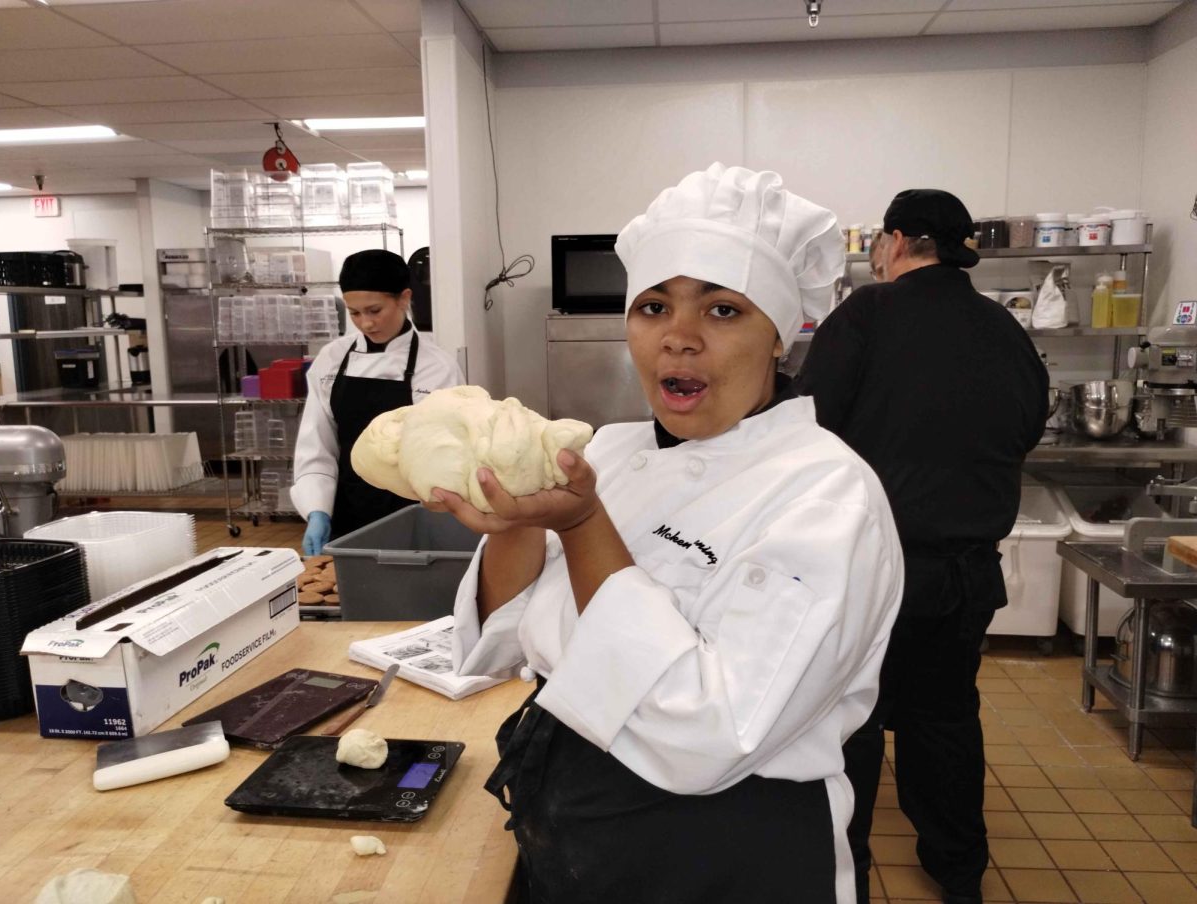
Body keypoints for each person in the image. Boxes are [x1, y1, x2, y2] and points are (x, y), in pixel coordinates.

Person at [433, 163, 904, 904]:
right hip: (575, 830)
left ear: (778, 335)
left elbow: (713, 736)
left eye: (722, 311)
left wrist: (584, 525)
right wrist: (515, 524)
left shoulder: (827, 494)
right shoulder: (610, 454)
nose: (677, 340)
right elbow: (497, 645)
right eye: (653, 307)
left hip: (729, 856)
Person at [794, 189, 1049, 904]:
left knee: (856, 721)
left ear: (897, 240)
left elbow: (809, 429)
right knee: (944, 718)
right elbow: (1029, 424)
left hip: (874, 569)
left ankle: (846, 869)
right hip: (967, 573)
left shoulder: (867, 316)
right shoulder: (1004, 329)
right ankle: (958, 871)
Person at [292, 249, 463, 554]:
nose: (366, 323)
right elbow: (317, 444)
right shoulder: (331, 360)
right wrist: (317, 510)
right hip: (347, 514)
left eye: (374, 310)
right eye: (354, 313)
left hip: (415, 514)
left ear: (404, 298)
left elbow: (448, 453)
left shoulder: (436, 367)